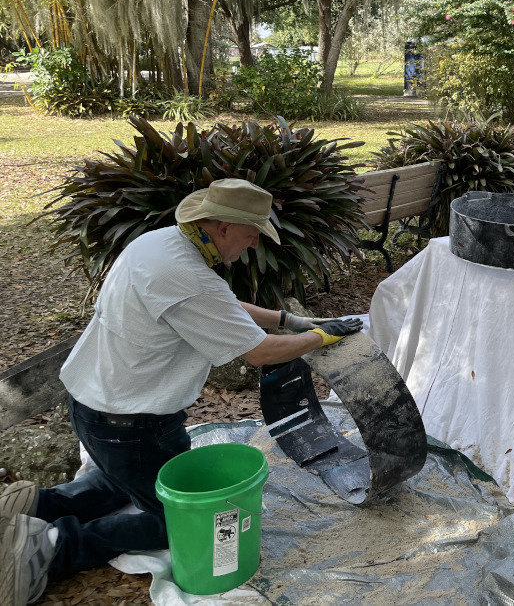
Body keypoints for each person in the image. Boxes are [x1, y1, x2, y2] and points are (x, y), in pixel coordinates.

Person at [0, 178, 363, 605]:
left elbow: (220, 305)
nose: (251, 246)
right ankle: (52, 546)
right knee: (173, 520)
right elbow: (259, 353)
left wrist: (291, 322)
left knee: (128, 481)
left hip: (95, 401)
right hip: (129, 419)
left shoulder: (161, 244)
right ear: (224, 226)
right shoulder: (187, 274)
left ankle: (34, 506)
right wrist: (320, 337)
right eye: (251, 235)